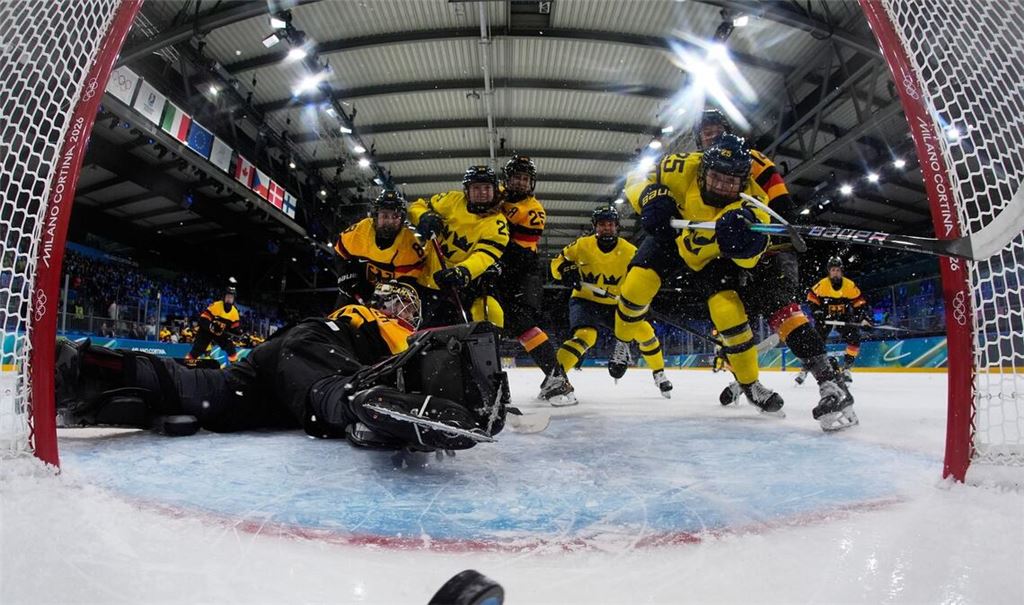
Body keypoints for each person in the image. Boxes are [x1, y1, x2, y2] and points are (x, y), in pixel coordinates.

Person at [54, 281, 509, 452]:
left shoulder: (362, 314)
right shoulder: (386, 324)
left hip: (278, 369)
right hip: (314, 354)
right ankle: (357, 406)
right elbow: (409, 362)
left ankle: (91, 369)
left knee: (203, 392)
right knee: (337, 392)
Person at [617, 135, 855, 431]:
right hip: (670, 236)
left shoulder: (755, 204)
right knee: (636, 288)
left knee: (729, 312)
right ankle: (622, 338)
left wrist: (744, 244)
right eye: (717, 178)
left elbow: (750, 259)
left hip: (710, 258)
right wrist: (650, 196)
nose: (723, 187)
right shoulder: (682, 166)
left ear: (744, 181)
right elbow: (635, 175)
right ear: (704, 170)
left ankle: (751, 385)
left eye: (732, 182)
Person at [551, 205, 672, 398]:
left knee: (646, 332)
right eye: (601, 224)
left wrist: (641, 304)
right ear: (595, 227)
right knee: (586, 335)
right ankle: (554, 379)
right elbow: (556, 263)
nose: (606, 228)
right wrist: (564, 270)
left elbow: (641, 281)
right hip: (585, 300)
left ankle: (659, 374)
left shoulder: (630, 251)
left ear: (617, 227)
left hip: (617, 305)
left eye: (610, 224)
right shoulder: (581, 245)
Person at [492, 155, 578, 405]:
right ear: (506, 179)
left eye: (525, 179)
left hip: (521, 271)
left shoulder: (534, 211)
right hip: (498, 269)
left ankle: (557, 379)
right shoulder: (495, 194)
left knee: (523, 324)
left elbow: (518, 251)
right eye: (516, 177)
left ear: (532, 183)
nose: (520, 183)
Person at [334, 189, 425, 307]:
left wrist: (390, 296)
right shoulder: (360, 231)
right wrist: (346, 276)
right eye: (385, 215)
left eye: (395, 216)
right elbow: (340, 252)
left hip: (389, 298)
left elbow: (409, 282)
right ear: (375, 216)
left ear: (402, 219)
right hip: (358, 289)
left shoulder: (409, 243)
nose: (390, 221)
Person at [799, 256, 869, 384]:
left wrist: (864, 318)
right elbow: (811, 297)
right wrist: (817, 311)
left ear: (841, 271)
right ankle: (805, 369)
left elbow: (859, 302)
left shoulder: (849, 285)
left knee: (854, 338)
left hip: (844, 317)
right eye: (833, 270)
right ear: (829, 271)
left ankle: (847, 369)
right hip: (825, 318)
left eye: (837, 270)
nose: (835, 273)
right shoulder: (822, 285)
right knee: (815, 343)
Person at [186, 279, 241, 364]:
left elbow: (235, 329)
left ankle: (235, 368)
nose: (229, 299)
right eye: (228, 296)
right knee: (197, 349)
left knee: (230, 348)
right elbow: (202, 319)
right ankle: (187, 364)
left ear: (234, 299)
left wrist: (240, 334)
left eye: (231, 297)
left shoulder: (235, 312)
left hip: (220, 333)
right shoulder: (216, 305)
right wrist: (211, 326)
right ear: (224, 297)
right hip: (206, 331)